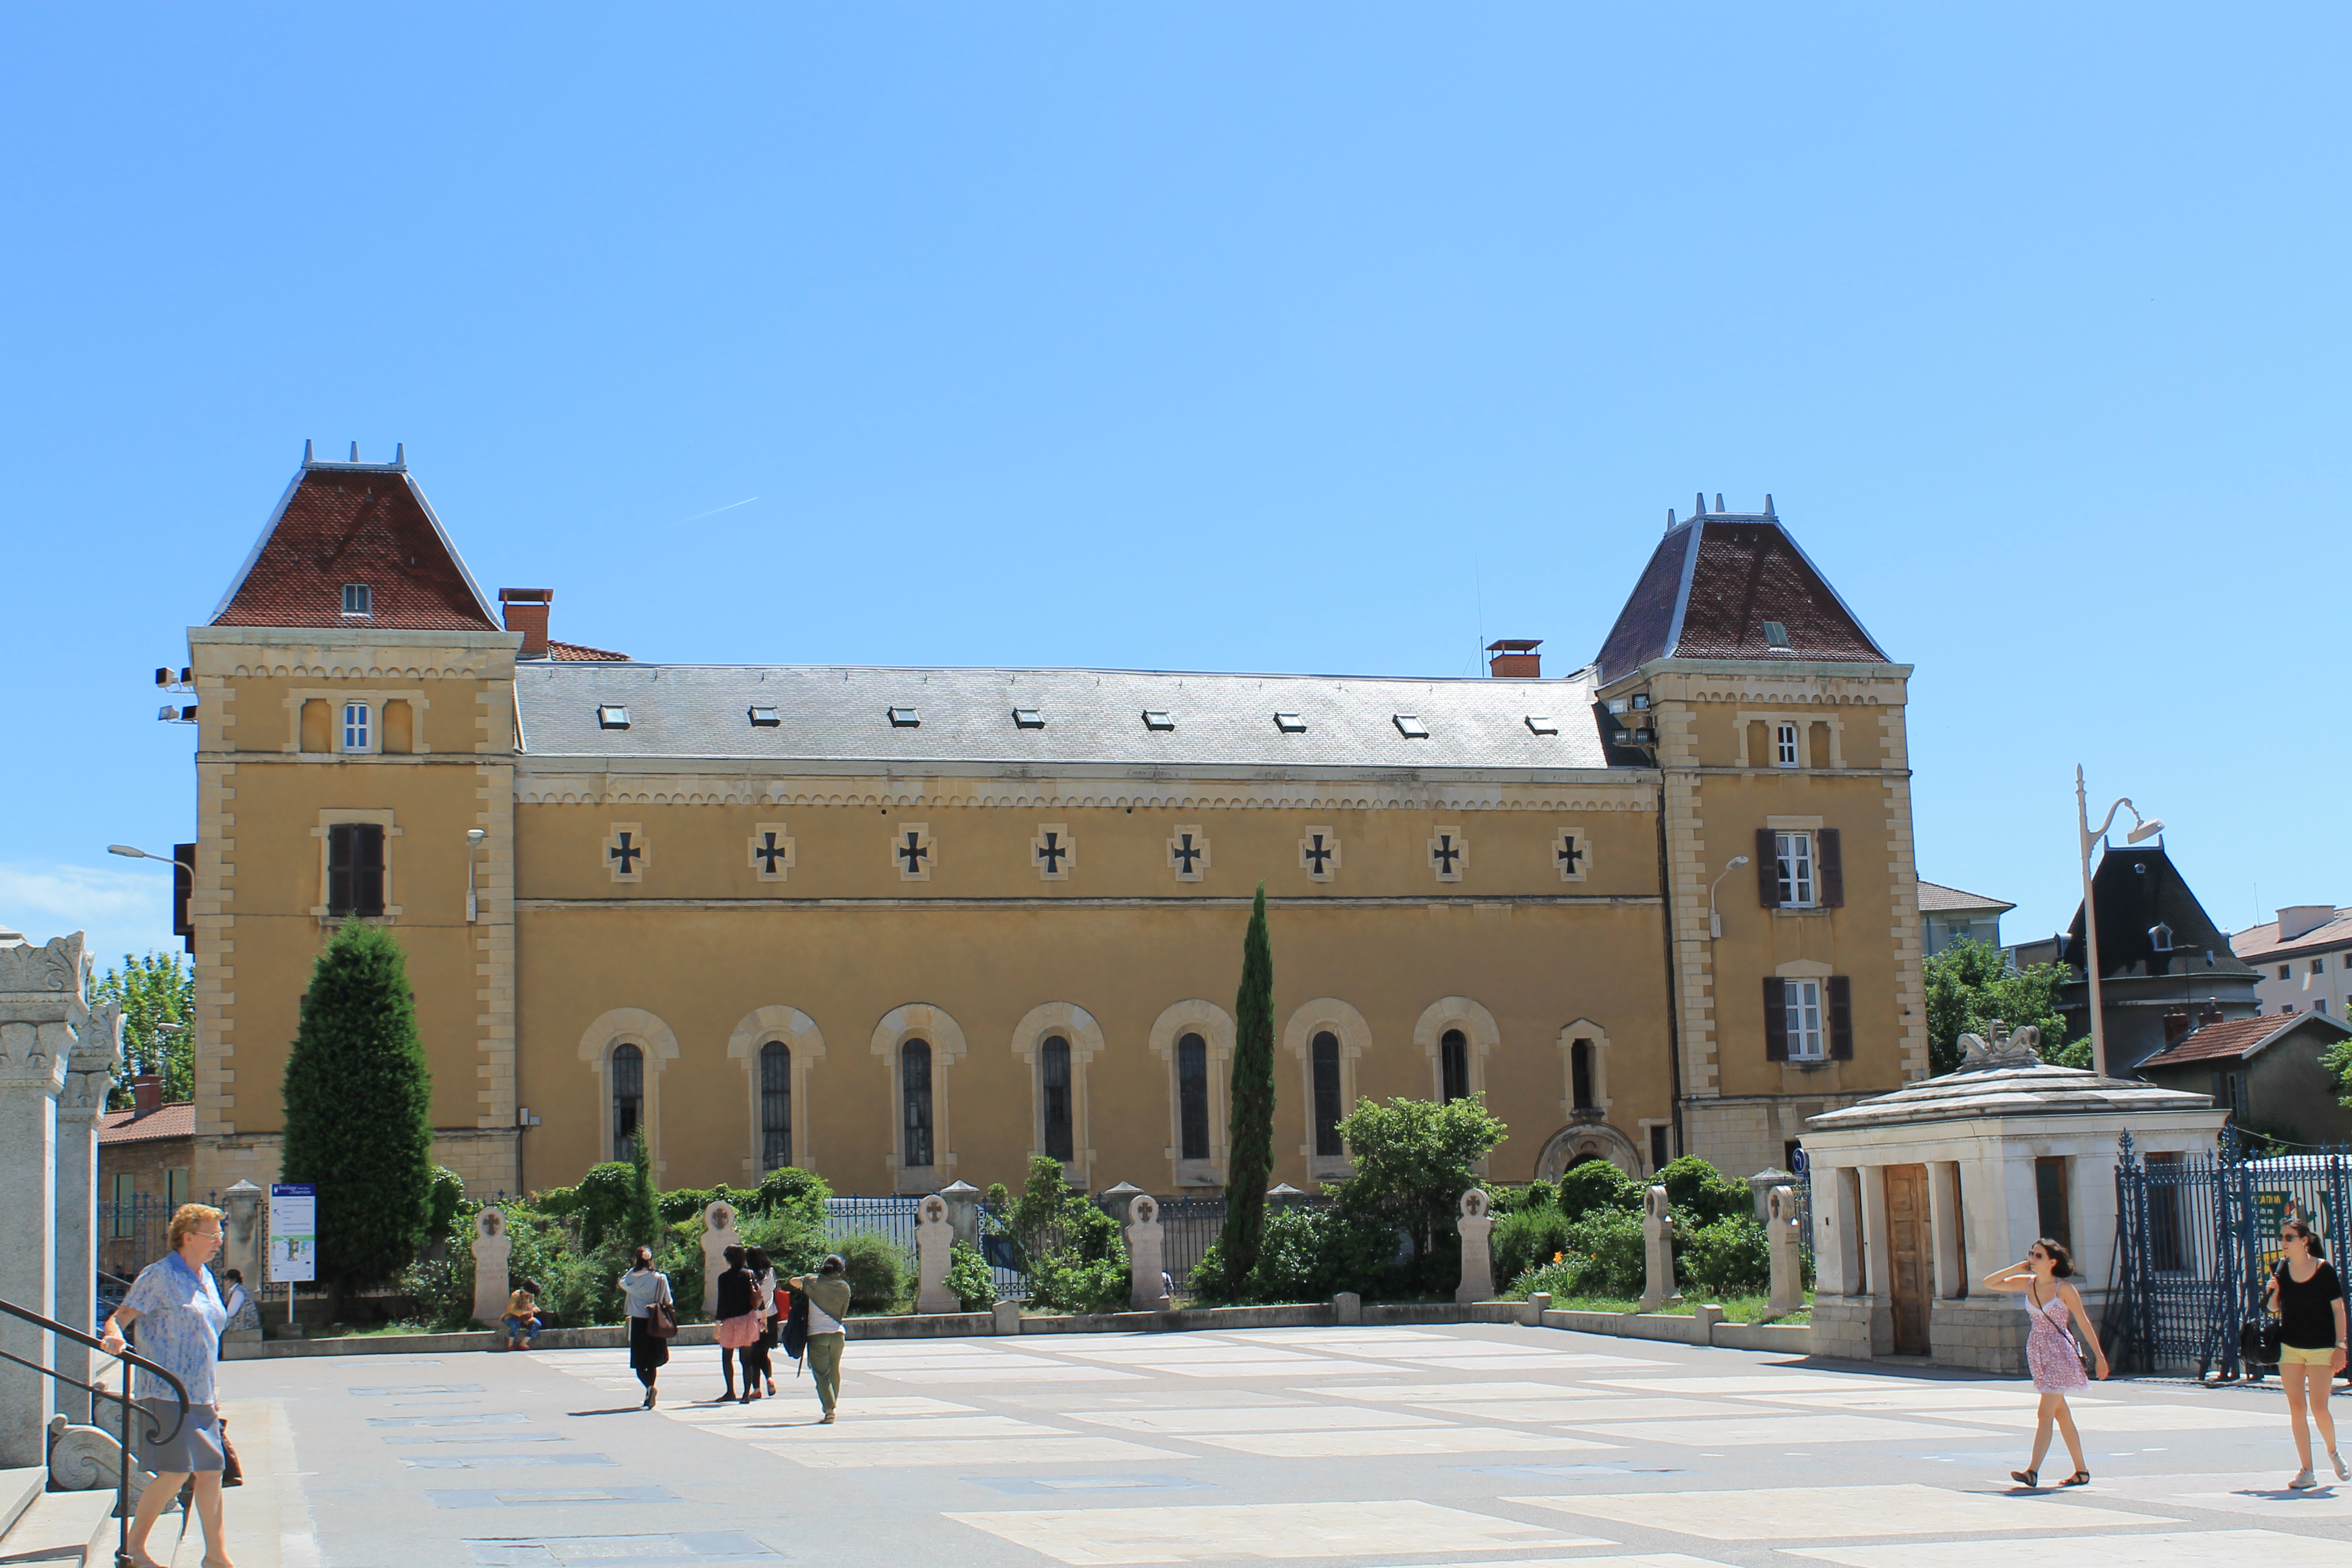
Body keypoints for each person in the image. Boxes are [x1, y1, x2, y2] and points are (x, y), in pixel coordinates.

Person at [101, 1203, 231, 1568]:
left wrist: (214, 1394)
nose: (219, 1241)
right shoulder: (159, 1275)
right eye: (213, 1234)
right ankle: (134, 1549)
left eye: (220, 1234)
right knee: (175, 1472)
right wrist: (114, 1336)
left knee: (211, 1473)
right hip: (165, 1391)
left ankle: (217, 1556)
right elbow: (121, 1316)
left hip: (201, 1393)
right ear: (188, 1237)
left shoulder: (205, 1277)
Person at [1981, 1238, 2108, 1489]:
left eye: (2038, 1256)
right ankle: (2081, 1471)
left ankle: (2033, 1471)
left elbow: (2083, 1322)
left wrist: (2100, 1358)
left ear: (2052, 1262)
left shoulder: (2064, 1289)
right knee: (2061, 1413)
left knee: (2045, 1413)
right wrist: (2016, 1269)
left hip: (2059, 1353)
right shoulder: (2028, 1284)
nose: (2033, 1259)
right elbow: (1989, 1283)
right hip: (2039, 1353)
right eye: (2032, 1254)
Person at [2268, 1216, 2348, 1488]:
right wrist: (2275, 1291)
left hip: (2321, 1348)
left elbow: (2338, 1309)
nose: (2284, 1242)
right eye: (2281, 1237)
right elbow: (2272, 1309)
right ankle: (2307, 1471)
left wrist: (2341, 1346)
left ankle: (2333, 1451)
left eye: (2289, 1237)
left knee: (2318, 1407)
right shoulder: (2280, 1268)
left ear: (2305, 1241)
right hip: (2290, 1347)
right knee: (2297, 1409)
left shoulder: (2324, 1270)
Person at [787, 1253, 852, 1424]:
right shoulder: (844, 1288)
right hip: (838, 1334)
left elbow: (793, 1282)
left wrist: (809, 1279)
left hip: (817, 1335)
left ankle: (829, 1410)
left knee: (822, 1375)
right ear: (841, 1271)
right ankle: (832, 1403)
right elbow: (842, 1312)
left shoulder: (812, 1281)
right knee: (834, 1370)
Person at [619, 1245, 672, 1409]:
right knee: (653, 1361)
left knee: (640, 1362)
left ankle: (650, 1389)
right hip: (656, 1322)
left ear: (637, 1259)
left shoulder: (631, 1279)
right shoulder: (660, 1278)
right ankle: (650, 1392)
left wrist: (633, 1268)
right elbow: (668, 1301)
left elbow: (621, 1281)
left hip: (638, 1322)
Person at [713, 1244, 761, 1402]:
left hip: (730, 1321)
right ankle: (746, 1394)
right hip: (748, 1319)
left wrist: (718, 1326)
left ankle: (730, 1392)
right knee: (746, 1359)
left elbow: (722, 1303)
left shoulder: (723, 1278)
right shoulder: (749, 1274)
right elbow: (757, 1298)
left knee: (727, 1357)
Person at [744, 1245, 779, 1399]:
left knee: (752, 1355)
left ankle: (757, 1389)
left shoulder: (749, 1275)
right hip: (771, 1316)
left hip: (754, 1317)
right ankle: (769, 1378)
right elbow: (776, 1290)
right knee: (763, 1352)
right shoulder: (772, 1272)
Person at [502, 1285, 540, 1352]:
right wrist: (529, 1311)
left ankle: (523, 1344)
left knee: (537, 1324)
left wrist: (536, 1308)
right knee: (515, 1324)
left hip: (526, 1318)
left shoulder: (531, 1295)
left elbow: (532, 1304)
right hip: (512, 1317)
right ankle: (510, 1345)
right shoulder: (516, 1295)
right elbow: (513, 1310)